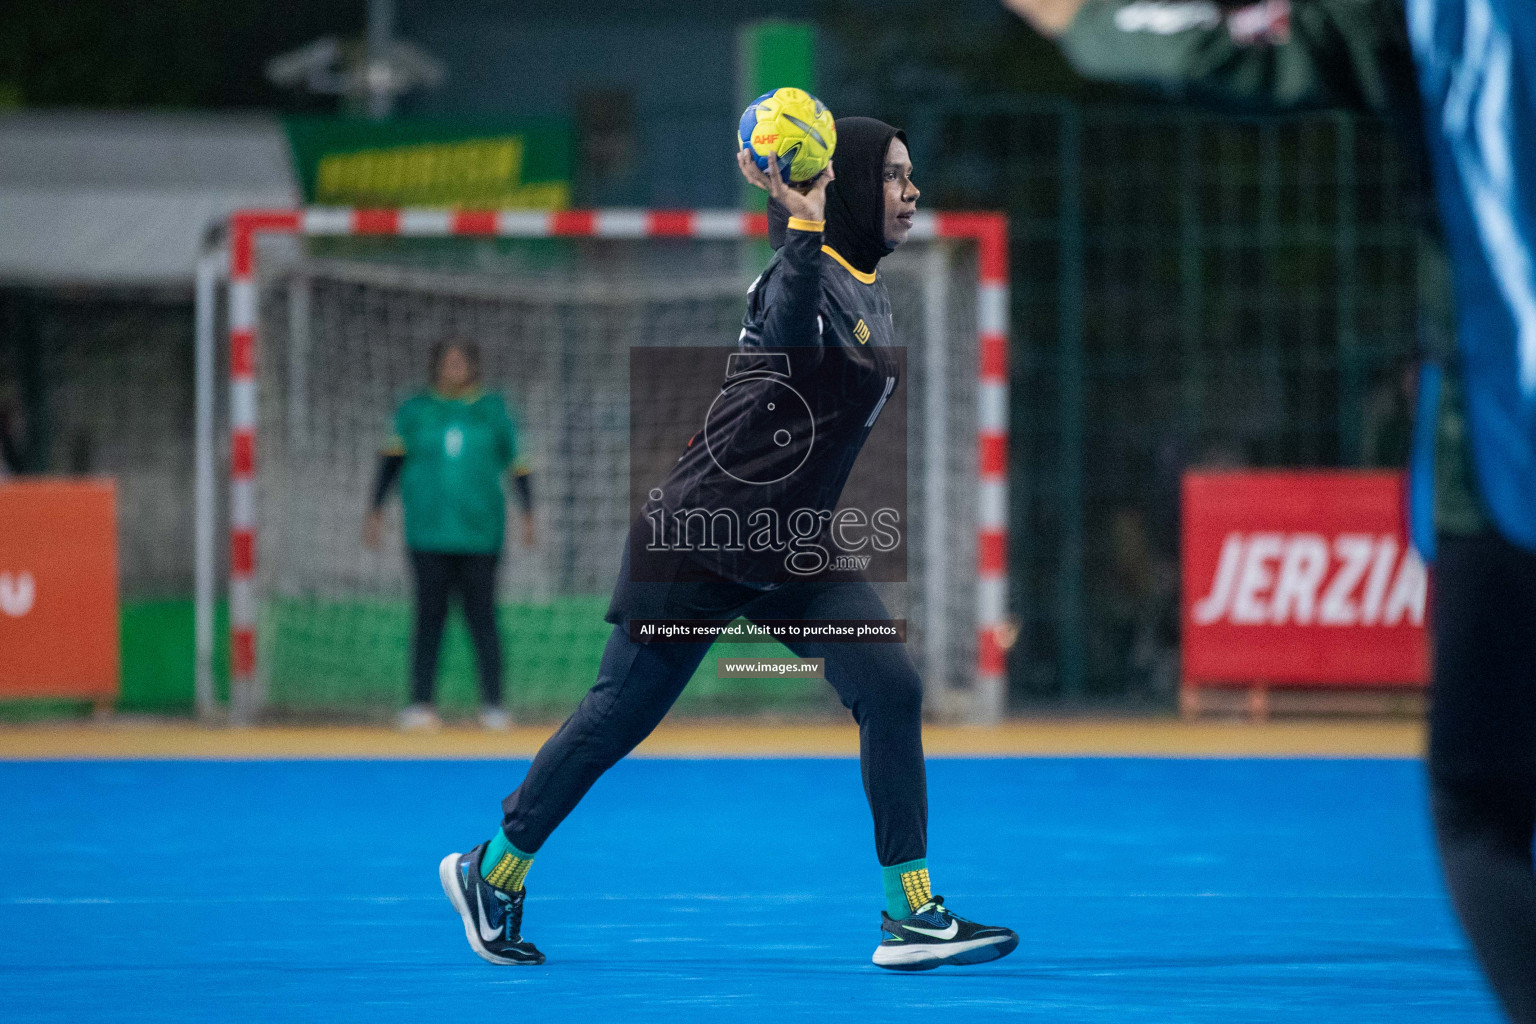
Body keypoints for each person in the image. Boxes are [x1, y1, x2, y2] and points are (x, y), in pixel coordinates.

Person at [1002, 1, 1536, 1018]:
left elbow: (1232, 51)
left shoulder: (1432, 22)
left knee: (1480, 807)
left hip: (1511, 459)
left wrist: (1084, 22)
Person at [437, 118, 1020, 972]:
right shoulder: (805, 273)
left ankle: (910, 912)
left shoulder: (866, 284)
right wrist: (800, 223)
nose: (911, 191)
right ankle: (494, 871)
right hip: (703, 538)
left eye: (910, 176)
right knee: (616, 719)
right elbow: (786, 335)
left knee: (891, 688)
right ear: (852, 186)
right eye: (894, 177)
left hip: (792, 547)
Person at [365, 339, 535, 733]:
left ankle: (493, 705)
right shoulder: (416, 410)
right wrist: (375, 509)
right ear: (436, 366)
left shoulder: (493, 411)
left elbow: (518, 465)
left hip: (481, 534)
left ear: (473, 367)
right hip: (427, 532)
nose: (454, 368)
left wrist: (528, 513)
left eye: (461, 362)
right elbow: (391, 462)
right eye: (447, 362)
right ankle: (421, 703)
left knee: (482, 618)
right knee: (428, 617)